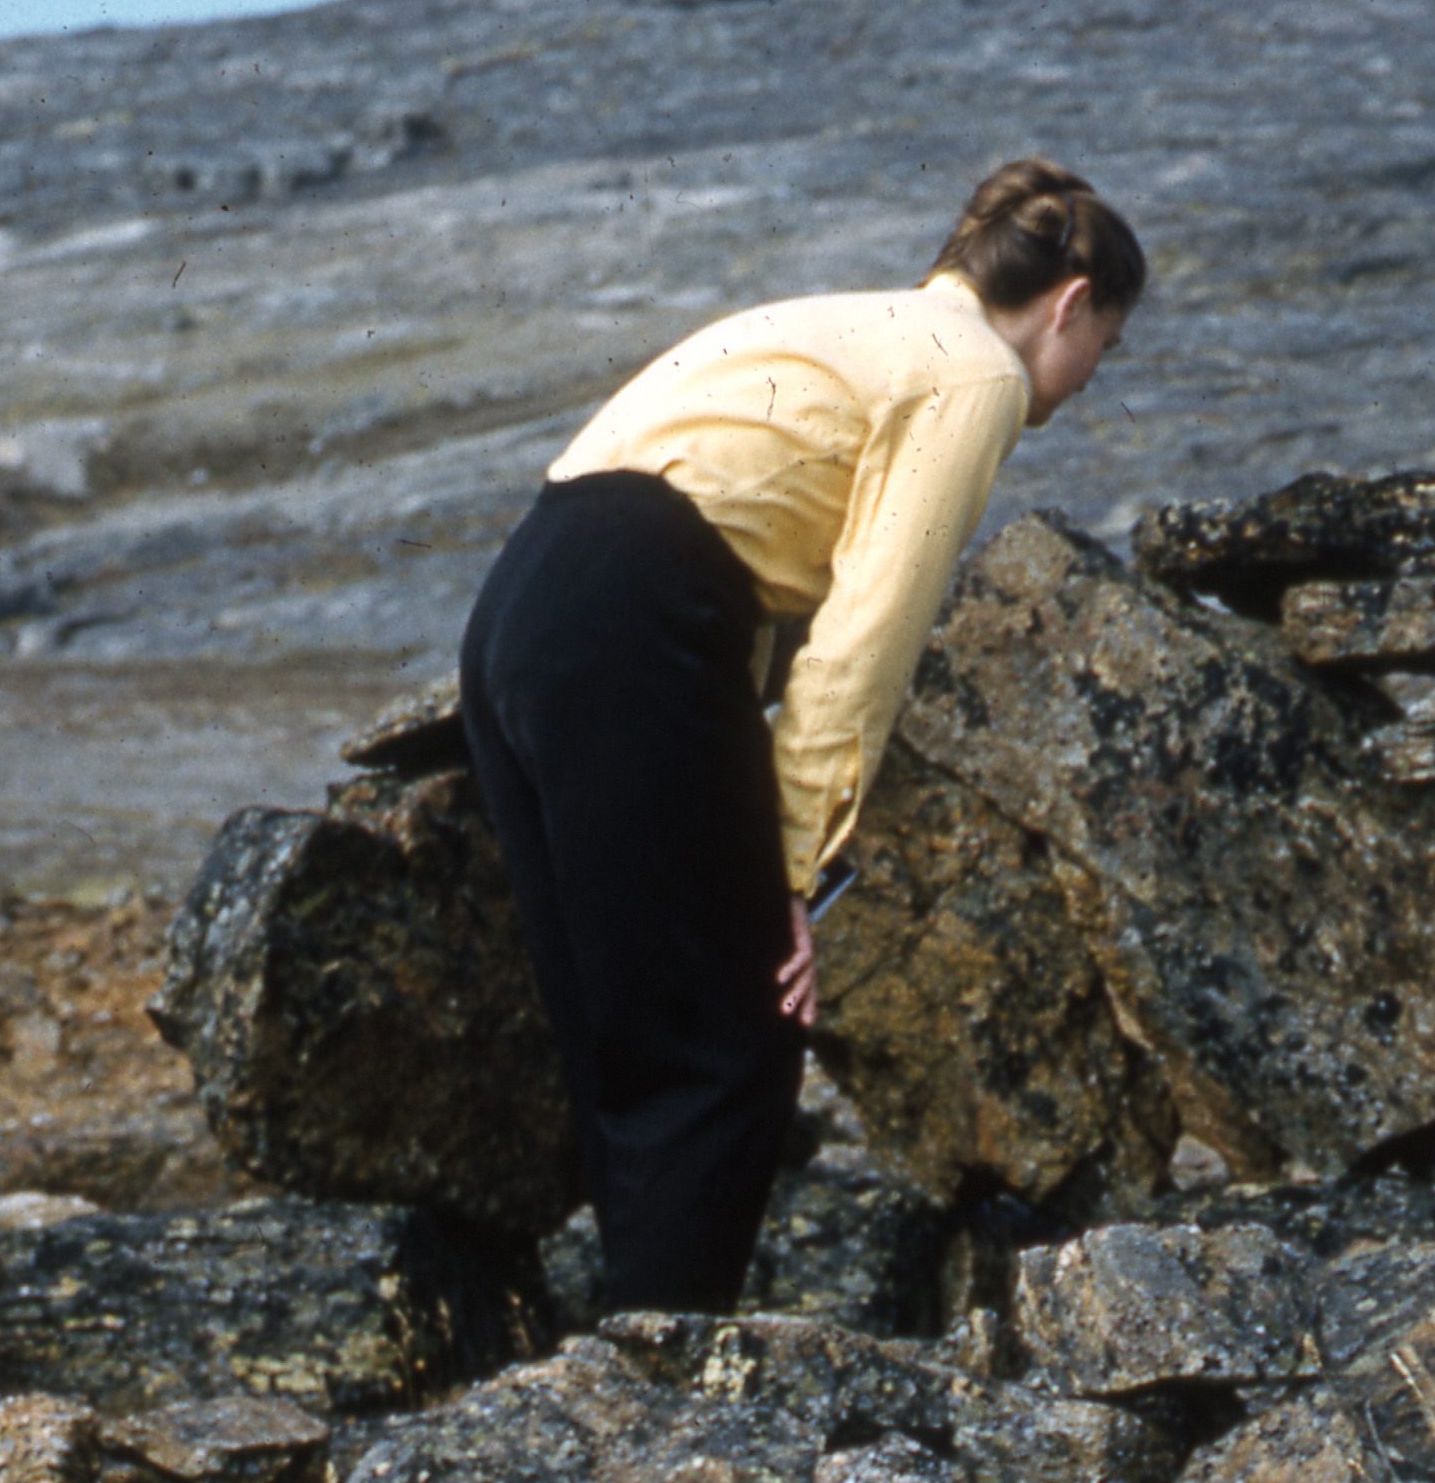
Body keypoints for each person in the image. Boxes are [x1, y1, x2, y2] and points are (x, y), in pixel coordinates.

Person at [458, 157, 1144, 1311]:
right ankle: (667, 1384)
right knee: (734, 1026)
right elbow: (859, 647)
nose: (1087, 382)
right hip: (636, 622)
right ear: (1069, 302)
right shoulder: (972, 374)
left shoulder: (852, 323)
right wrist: (791, 869)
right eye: (1104, 350)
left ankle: (626, 1360)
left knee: (627, 1024)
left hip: (520, 608)